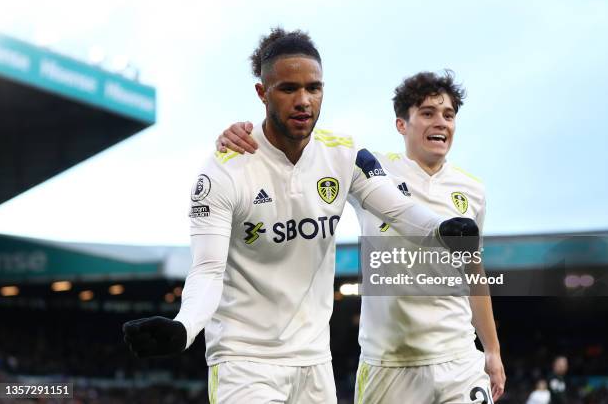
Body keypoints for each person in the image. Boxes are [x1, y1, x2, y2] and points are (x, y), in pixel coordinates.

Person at [123, 29, 478, 404]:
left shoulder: (345, 155)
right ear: (262, 93)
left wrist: (442, 229)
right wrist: (185, 327)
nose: (304, 101)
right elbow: (207, 270)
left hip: (314, 363)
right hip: (244, 362)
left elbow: (400, 211)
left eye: (314, 88)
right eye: (288, 88)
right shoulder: (224, 171)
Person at [215, 71, 505, 403]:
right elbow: (302, 145)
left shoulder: (473, 190)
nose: (440, 122)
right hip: (389, 365)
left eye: (449, 115)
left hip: (459, 359)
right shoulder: (368, 167)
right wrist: (237, 134)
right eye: (427, 113)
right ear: (401, 125)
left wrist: (492, 351)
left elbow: (474, 274)